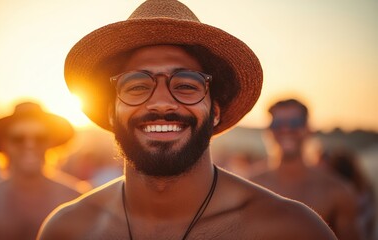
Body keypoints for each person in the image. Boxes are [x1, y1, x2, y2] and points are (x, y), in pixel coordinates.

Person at [38, 1, 337, 239]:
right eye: (137, 86)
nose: (161, 101)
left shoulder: (290, 230)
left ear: (215, 111)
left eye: (185, 85)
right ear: (110, 114)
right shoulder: (67, 230)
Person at [0, 102, 84, 240]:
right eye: (18, 139)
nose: (30, 145)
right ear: (4, 144)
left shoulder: (76, 198)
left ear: (50, 143)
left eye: (40, 138)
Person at [250, 98, 364, 240]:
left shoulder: (336, 191)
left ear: (309, 129)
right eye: (277, 123)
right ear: (268, 131)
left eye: (295, 123)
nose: (286, 129)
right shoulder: (250, 186)